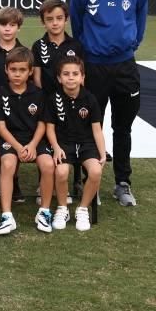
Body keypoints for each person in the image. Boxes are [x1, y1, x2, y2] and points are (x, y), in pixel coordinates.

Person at [69, 0, 148, 207]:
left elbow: (140, 25)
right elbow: (77, 29)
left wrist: (129, 44)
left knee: (122, 128)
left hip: (125, 68)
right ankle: (83, 181)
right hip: (94, 68)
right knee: (89, 126)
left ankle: (122, 182)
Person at [0, 47, 56, 235]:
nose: (17, 74)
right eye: (13, 70)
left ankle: (44, 212)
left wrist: (33, 145)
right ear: (6, 70)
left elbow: (43, 123)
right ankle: (6, 215)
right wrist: (19, 147)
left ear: (30, 71)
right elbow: (1, 127)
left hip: (34, 139)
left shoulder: (38, 93)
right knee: (8, 163)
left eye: (22, 70)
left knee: (47, 164)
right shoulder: (0, 93)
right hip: (11, 140)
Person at [31, 0, 85, 203]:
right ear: (43, 22)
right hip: (47, 103)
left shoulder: (76, 46)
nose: (55, 23)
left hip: (70, 102)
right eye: (50, 19)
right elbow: (36, 77)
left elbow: (81, 75)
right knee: (46, 143)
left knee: (68, 139)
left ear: (66, 20)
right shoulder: (38, 46)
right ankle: (42, 184)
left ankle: (69, 183)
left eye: (59, 18)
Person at [46, 57, 106, 232]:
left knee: (95, 170)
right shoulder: (53, 99)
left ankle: (82, 208)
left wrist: (102, 153)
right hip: (63, 144)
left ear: (82, 77)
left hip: (86, 144)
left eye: (75, 74)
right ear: (59, 78)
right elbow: (50, 128)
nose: (70, 78)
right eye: (66, 74)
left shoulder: (90, 99)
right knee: (62, 171)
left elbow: (96, 130)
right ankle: (63, 208)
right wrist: (56, 147)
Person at [0, 6, 27, 203]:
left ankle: (14, 180)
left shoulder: (25, 52)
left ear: (18, 27)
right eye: (3, 24)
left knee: (15, 141)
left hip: (17, 109)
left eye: (12, 25)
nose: (7, 29)